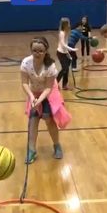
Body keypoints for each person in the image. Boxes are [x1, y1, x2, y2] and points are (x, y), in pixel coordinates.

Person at [21, 36, 72, 164]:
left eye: (40, 51)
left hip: (49, 93)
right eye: (34, 50)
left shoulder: (50, 66)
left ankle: (56, 145)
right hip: (34, 92)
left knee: (48, 118)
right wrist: (32, 97)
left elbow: (49, 87)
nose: (37, 53)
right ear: (31, 50)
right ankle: (32, 150)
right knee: (33, 119)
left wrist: (40, 100)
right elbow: (24, 83)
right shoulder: (26, 63)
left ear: (45, 51)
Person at [56, 17, 78, 90]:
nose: (69, 24)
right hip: (60, 53)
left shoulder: (66, 32)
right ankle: (55, 83)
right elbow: (63, 44)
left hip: (65, 53)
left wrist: (68, 53)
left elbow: (65, 44)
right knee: (64, 68)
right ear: (65, 24)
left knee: (67, 69)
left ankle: (64, 85)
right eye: (68, 23)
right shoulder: (62, 33)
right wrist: (72, 49)